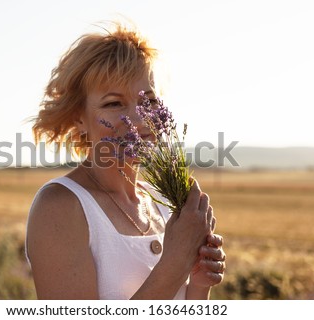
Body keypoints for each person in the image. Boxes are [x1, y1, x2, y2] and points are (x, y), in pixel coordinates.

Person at [26, 22, 226, 300]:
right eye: (113, 103)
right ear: (78, 118)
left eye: (148, 101)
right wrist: (177, 262)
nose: (138, 119)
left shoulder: (162, 202)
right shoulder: (61, 207)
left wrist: (199, 283)